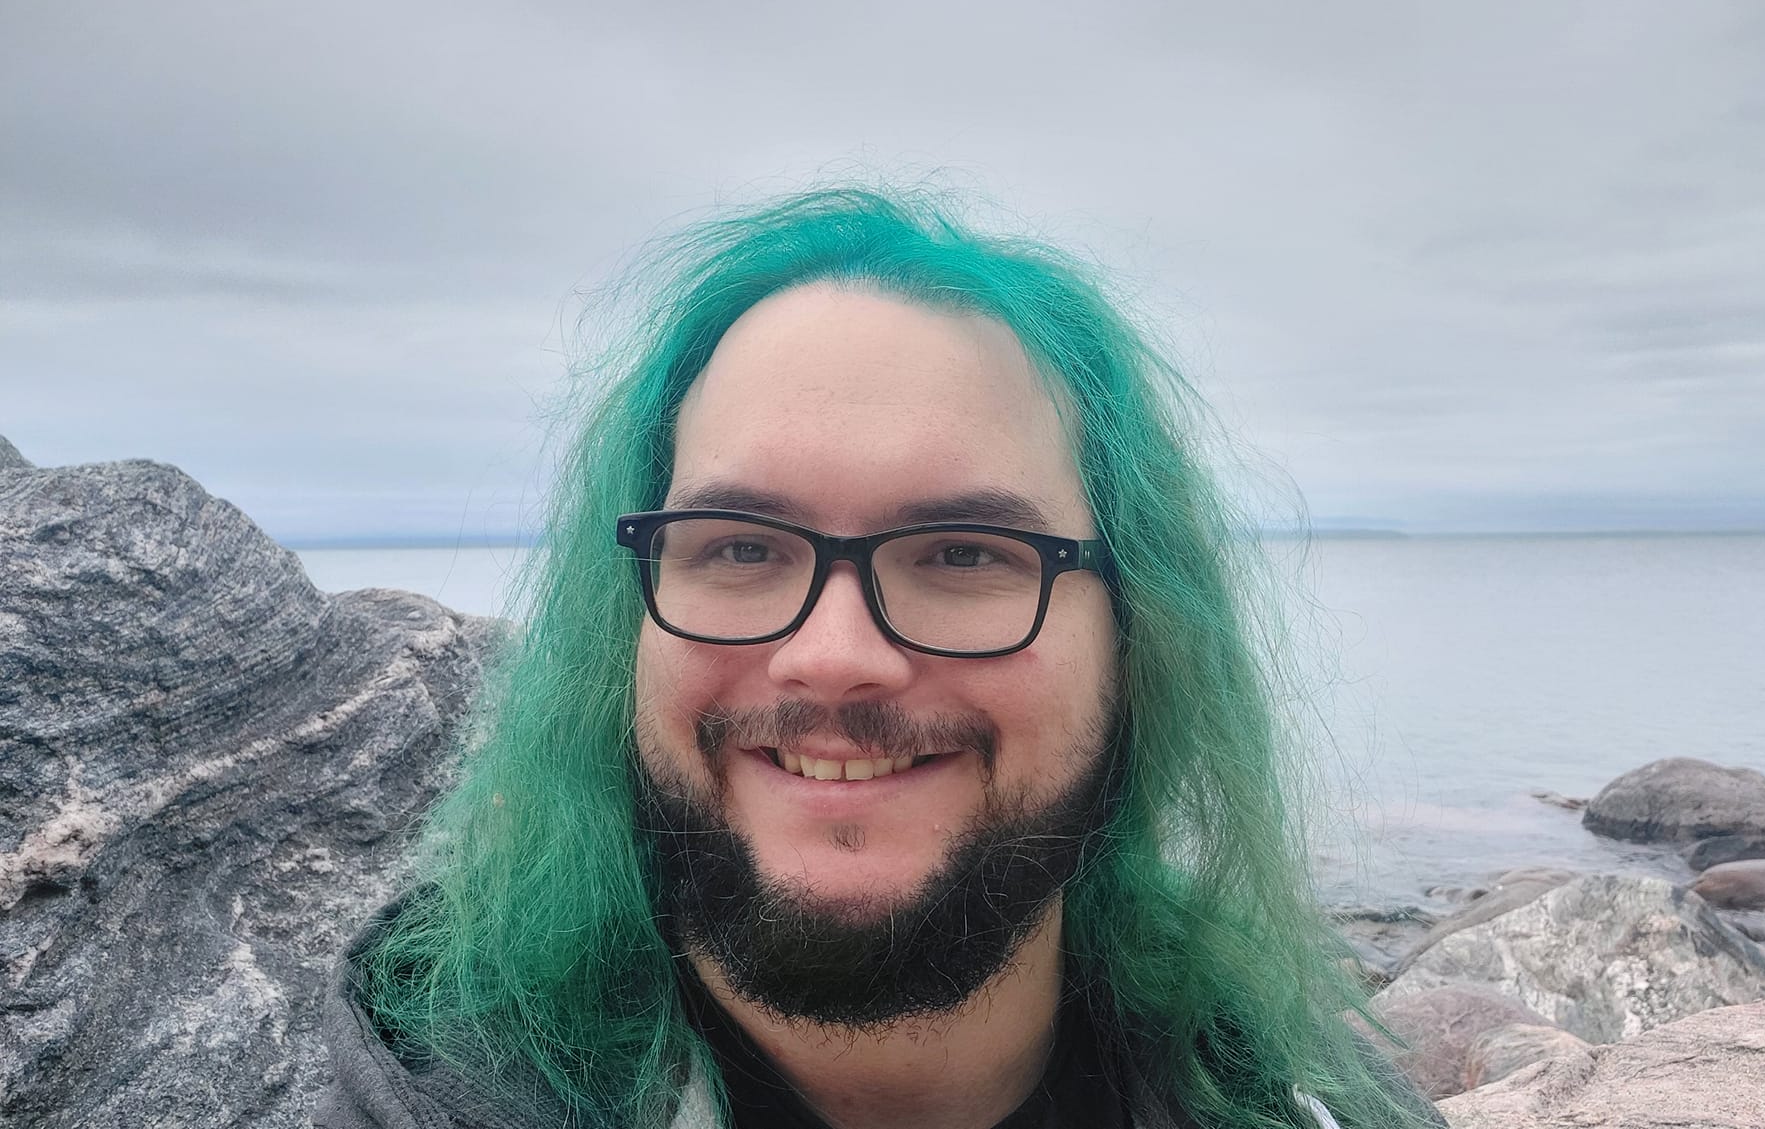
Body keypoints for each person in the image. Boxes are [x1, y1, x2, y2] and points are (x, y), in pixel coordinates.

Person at [317, 187, 1442, 1129]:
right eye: (740, 546)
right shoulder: (440, 1093)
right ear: (624, 627)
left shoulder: (1299, 1096)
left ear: (1138, 633)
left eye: (961, 552)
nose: (833, 657)